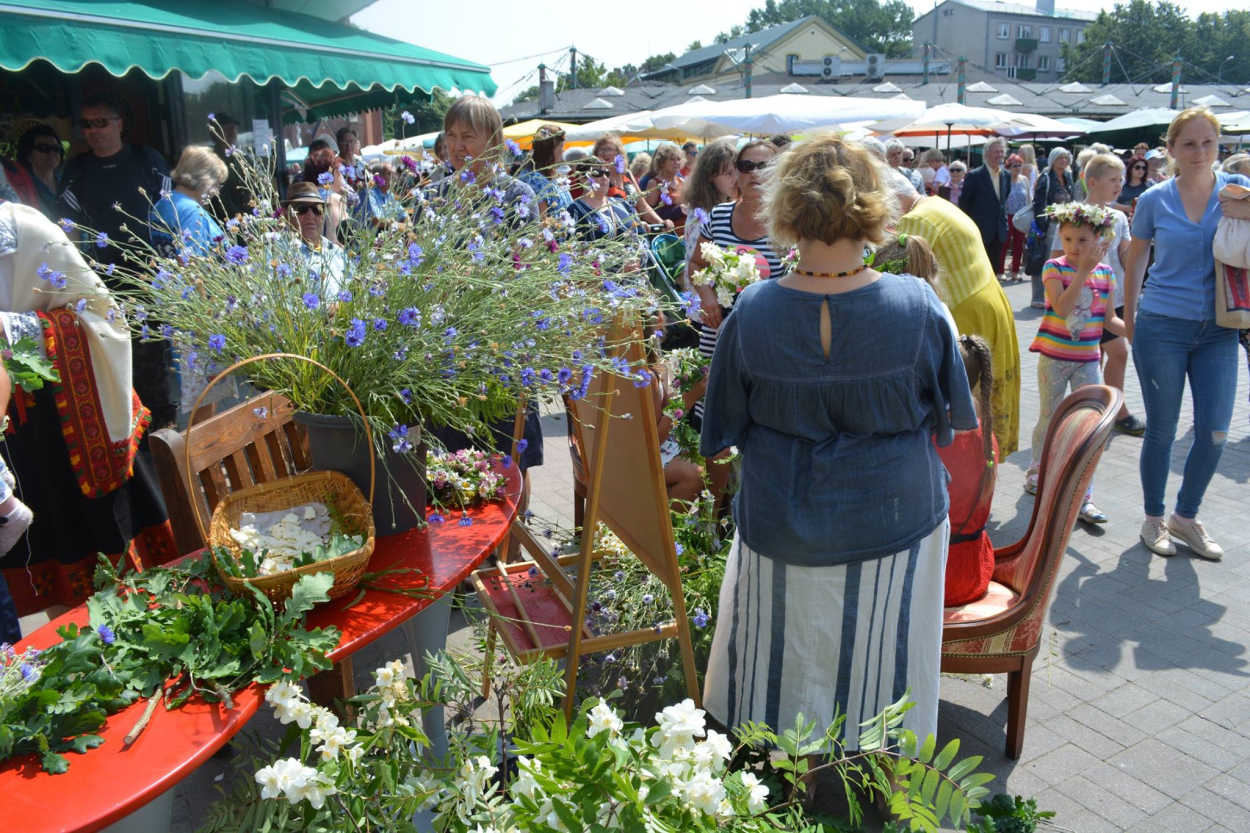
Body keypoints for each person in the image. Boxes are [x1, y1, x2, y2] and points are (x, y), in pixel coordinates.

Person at [698, 132, 976, 746]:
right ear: (874, 206)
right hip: (895, 519)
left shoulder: (753, 308)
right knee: (893, 650)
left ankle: (795, 766)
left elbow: (721, 432)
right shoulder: (919, 305)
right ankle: (892, 764)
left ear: (785, 209)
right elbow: (949, 419)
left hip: (782, 520)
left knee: (790, 650)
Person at [0, 202, 177, 616]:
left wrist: (12, 330)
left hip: (74, 421)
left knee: (120, 578)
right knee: (49, 575)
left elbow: (103, 317)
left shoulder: (23, 228)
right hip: (15, 437)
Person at [1123, 107, 1250, 560]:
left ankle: (1186, 517)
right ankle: (1154, 517)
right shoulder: (1156, 198)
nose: (1200, 152)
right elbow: (1136, 259)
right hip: (1162, 325)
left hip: (1221, 328)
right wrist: (1132, 317)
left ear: (1220, 146)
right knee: (1162, 429)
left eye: (1208, 143)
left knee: (1215, 431)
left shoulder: (1240, 191)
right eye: (1190, 144)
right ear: (1171, 149)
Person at [427, 96, 544, 532]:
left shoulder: (518, 196)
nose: (457, 146)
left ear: (493, 142)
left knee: (509, 462)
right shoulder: (436, 196)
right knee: (452, 462)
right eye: (452, 135)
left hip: (502, 352)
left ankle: (508, 555)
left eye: (468, 136)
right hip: (448, 355)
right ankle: (460, 561)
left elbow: (524, 273)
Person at [58, 92, 176, 428]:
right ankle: (126, 441)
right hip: (101, 282)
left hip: (150, 279)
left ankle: (163, 439)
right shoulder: (77, 170)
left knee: (153, 365)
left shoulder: (145, 159)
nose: (94, 130)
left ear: (119, 124)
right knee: (111, 368)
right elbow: (66, 229)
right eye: (86, 124)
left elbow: (170, 214)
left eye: (101, 122)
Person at [897, 188, 1022, 456]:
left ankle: (971, 458)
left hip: (966, 313)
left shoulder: (914, 221)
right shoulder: (937, 203)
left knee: (968, 395)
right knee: (985, 394)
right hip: (988, 300)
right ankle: (985, 458)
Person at [1028, 202, 1126, 524]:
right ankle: (1037, 470)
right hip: (1055, 359)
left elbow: (1110, 319)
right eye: (1068, 239)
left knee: (1088, 427)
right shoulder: (1054, 268)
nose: (1074, 247)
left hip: (1088, 360)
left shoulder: (1107, 273)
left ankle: (1084, 496)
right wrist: (1083, 271)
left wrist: (1141, 333)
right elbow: (1062, 307)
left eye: (1082, 241)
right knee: (1050, 416)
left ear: (1099, 240)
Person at [1051, 153, 1145, 436]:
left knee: (1111, 355)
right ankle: (1106, 409)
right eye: (1113, 180)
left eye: (1121, 180)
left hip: (1111, 299)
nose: (1119, 185)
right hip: (1083, 302)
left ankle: (1106, 408)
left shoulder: (1118, 217)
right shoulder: (1073, 216)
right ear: (1093, 182)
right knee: (1108, 354)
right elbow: (1057, 257)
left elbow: (1127, 257)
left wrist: (1141, 230)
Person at [149, 146, 228, 257]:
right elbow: (191, 264)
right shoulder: (191, 211)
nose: (217, 193)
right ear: (205, 180)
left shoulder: (162, 203)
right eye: (217, 185)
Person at [679, 140, 738, 283]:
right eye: (728, 173)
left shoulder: (721, 205)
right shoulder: (703, 214)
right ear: (710, 176)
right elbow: (699, 264)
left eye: (737, 171)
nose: (735, 179)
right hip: (705, 292)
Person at [1028, 146, 1076, 308]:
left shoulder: (1069, 176)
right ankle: (1038, 297)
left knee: (1061, 260)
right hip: (1049, 225)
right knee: (1045, 259)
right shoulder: (1046, 177)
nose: (1063, 161)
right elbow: (1039, 203)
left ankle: (1057, 295)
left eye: (1065, 158)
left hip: (1065, 225)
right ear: (1053, 160)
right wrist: (1041, 226)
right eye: (1060, 158)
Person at [959, 137, 1012, 277]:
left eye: (1002, 151)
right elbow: (965, 204)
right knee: (978, 270)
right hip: (980, 230)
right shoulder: (975, 175)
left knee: (993, 270)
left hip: (999, 231)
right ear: (987, 153)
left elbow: (1003, 200)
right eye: (996, 151)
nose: (999, 154)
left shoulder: (1006, 175)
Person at [591, 136, 667, 228]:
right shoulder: (597, 177)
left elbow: (643, 207)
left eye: (609, 149)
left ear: (618, 153)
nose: (605, 153)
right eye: (601, 149)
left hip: (636, 230)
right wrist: (634, 224)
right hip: (616, 231)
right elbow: (602, 210)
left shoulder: (627, 174)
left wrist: (662, 222)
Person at [4, 124, 64, 218]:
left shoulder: (67, 184)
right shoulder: (22, 186)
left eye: (56, 148)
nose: (52, 153)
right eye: (43, 148)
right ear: (28, 155)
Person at [516, 124, 572, 217]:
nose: (563, 150)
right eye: (562, 146)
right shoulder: (534, 180)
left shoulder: (554, 177)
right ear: (550, 149)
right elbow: (541, 224)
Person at [301, 138, 348, 241]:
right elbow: (336, 241)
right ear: (335, 173)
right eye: (341, 173)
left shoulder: (302, 199)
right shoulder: (334, 199)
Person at [210, 113, 249, 221]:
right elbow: (220, 197)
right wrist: (239, 218)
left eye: (234, 129)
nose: (232, 133)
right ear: (215, 133)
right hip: (227, 223)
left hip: (249, 220)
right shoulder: (211, 160)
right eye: (227, 129)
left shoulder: (242, 157)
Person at [639, 144, 686, 228]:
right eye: (672, 159)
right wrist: (677, 211)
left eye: (678, 159)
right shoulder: (654, 183)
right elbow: (647, 213)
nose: (677, 162)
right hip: (667, 234)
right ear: (662, 163)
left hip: (685, 232)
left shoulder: (682, 182)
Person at [1003, 153, 1030, 281]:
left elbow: (1028, 198)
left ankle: (1015, 271)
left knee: (1019, 245)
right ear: (1008, 167)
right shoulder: (1004, 178)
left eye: (1019, 165)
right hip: (1007, 215)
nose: (1017, 168)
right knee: (1005, 243)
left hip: (1020, 216)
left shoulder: (1024, 179)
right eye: (1015, 165)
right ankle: (1000, 271)